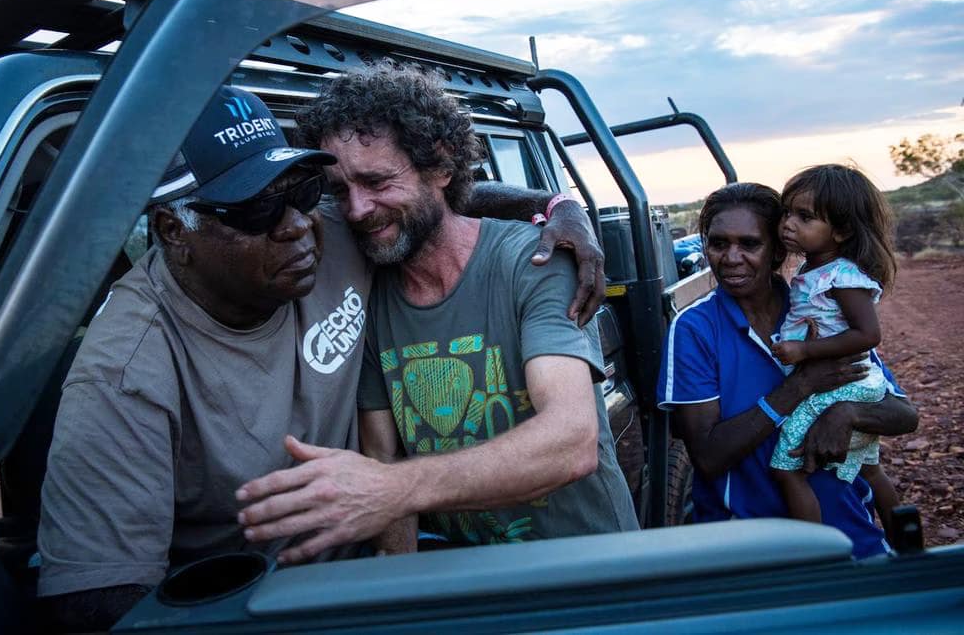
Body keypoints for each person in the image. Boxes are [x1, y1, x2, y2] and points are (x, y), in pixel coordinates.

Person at [37, 85, 603, 630]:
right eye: (256, 209)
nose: (299, 225)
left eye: (304, 191)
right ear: (173, 231)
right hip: (249, 610)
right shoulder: (125, 373)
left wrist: (556, 205)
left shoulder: (338, 226)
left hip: (402, 579)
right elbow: (97, 602)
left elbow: (418, 197)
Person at [234, 66, 638, 561]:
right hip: (462, 584)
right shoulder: (366, 294)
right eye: (340, 190)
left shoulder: (532, 262)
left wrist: (391, 488)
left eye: (377, 180)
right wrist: (402, 590)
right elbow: (385, 455)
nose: (358, 209)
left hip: (587, 576)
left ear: (441, 167)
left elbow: (572, 441)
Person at [656, 182, 917, 559]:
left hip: (853, 539)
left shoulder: (820, 308)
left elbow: (903, 414)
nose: (730, 258)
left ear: (778, 249)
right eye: (718, 243)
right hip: (750, 551)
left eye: (749, 244)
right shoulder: (696, 329)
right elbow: (709, 457)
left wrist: (848, 413)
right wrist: (800, 386)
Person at [769, 164, 900, 526]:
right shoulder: (814, 271)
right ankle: (907, 543)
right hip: (846, 385)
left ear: (841, 231)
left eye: (805, 217)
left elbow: (868, 334)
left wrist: (804, 351)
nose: (788, 224)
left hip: (842, 388)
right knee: (870, 470)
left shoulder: (842, 276)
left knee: (787, 470)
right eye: (786, 213)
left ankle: (817, 556)